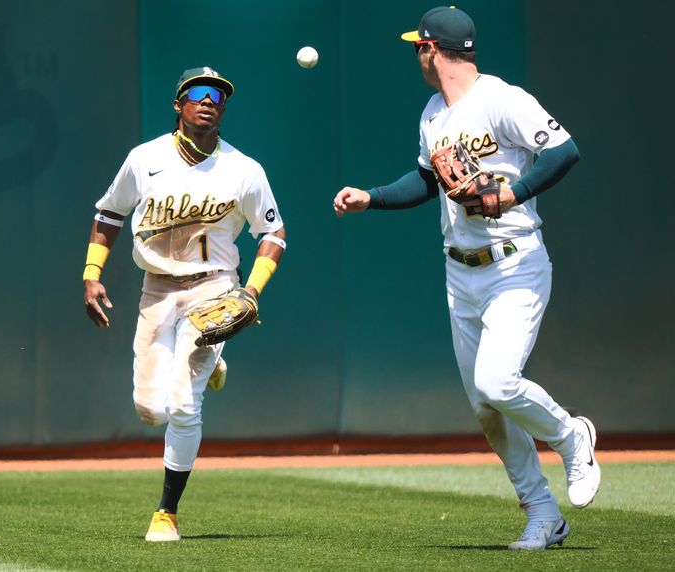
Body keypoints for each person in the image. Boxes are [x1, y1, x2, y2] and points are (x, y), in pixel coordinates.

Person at [333, 6, 599, 551]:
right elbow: (427, 180)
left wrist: (512, 193)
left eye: (417, 47)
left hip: (514, 264)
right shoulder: (434, 111)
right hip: (461, 272)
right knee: (485, 406)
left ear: (432, 49)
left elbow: (564, 150)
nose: (415, 56)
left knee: (497, 383)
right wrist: (373, 199)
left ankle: (571, 435)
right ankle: (543, 513)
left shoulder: (501, 98)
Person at [82, 66, 286, 542]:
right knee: (150, 408)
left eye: (218, 94)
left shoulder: (244, 169)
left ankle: (166, 512)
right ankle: (216, 366)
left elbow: (273, 233)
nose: (209, 100)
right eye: (198, 93)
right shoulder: (145, 158)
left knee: (182, 403)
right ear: (179, 104)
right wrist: (91, 274)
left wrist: (250, 290)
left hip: (213, 286)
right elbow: (109, 212)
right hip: (156, 288)